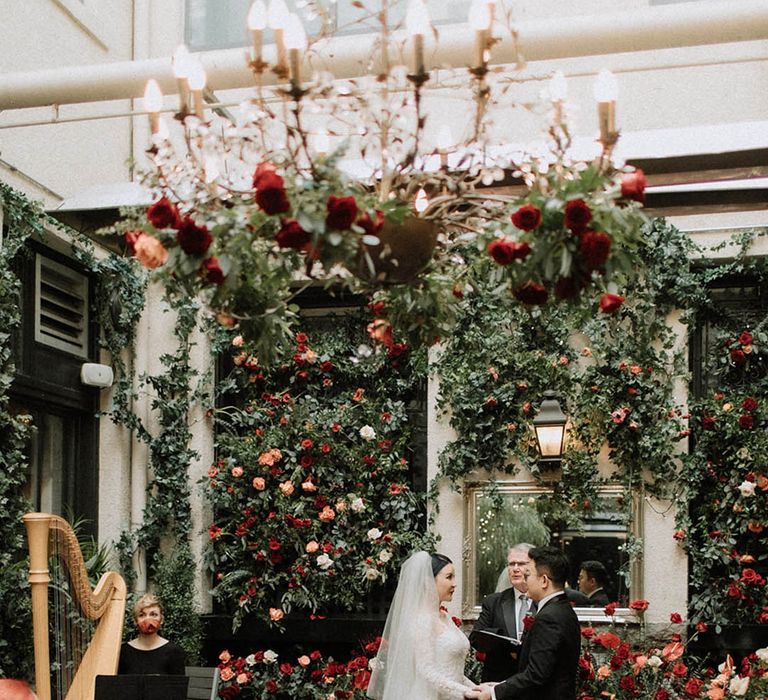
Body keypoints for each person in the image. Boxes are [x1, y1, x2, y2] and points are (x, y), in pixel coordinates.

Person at [367, 551, 480, 700]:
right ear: (428, 581)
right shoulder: (422, 620)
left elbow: (454, 673)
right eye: (448, 577)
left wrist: (477, 689)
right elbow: (426, 671)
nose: (454, 583)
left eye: (454, 577)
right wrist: (465, 692)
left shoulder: (444, 617)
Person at [473, 546, 581, 700]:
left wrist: (493, 693)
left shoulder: (549, 617)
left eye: (528, 574)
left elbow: (536, 674)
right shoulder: (564, 609)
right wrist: (499, 685)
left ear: (544, 580)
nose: (525, 579)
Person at [469, 544, 535, 682]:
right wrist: (505, 644)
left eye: (521, 564)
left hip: (535, 683)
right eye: (511, 564)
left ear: (534, 566)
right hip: (498, 681)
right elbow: (476, 639)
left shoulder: (543, 602)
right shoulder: (494, 602)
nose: (515, 569)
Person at [117, 594, 186, 675]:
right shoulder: (123, 652)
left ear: (161, 619)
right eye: (142, 615)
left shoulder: (174, 651)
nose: (148, 619)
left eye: (153, 614)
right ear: (135, 621)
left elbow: (178, 686)